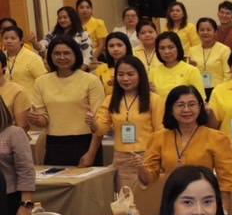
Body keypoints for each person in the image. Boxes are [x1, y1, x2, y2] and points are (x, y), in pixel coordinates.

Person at [140, 85, 232, 206]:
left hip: (204, 201)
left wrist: (224, 212)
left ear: (200, 107)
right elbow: (149, 178)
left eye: (191, 104)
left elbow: (226, 182)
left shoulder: (217, 138)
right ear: (171, 109)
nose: (186, 110)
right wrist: (140, 168)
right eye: (180, 105)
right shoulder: (158, 138)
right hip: (172, 201)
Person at [33, 38, 105, 166]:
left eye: (66, 53)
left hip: (85, 142)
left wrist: (91, 153)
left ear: (76, 54)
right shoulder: (41, 82)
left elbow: (99, 122)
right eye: (57, 53)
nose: (62, 57)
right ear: (50, 56)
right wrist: (35, 118)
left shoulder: (91, 81)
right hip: (54, 144)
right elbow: (43, 120)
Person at [95, 57, 161, 189]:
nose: (125, 79)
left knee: (147, 197)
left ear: (140, 75)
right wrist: (93, 123)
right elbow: (101, 129)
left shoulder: (154, 99)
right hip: (120, 158)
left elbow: (160, 131)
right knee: (125, 198)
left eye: (130, 74)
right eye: (120, 75)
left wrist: (155, 157)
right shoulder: (110, 99)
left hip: (146, 157)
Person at [147, 32, 203, 96]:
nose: (166, 51)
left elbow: (200, 98)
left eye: (171, 47)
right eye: (162, 48)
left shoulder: (192, 71)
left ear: (178, 48)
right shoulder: (153, 72)